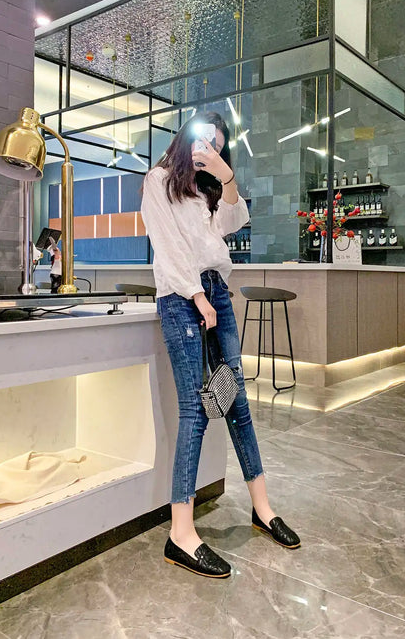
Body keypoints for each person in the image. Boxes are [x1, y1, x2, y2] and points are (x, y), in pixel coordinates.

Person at [141, 111, 300, 580]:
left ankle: (263, 508)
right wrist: (197, 297)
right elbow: (168, 247)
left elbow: (233, 220)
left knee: (237, 402)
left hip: (217, 292)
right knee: (195, 409)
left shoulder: (207, 190)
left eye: (217, 144)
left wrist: (226, 176)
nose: (207, 147)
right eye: (203, 138)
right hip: (182, 298)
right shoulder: (158, 181)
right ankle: (181, 533)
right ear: (185, 135)